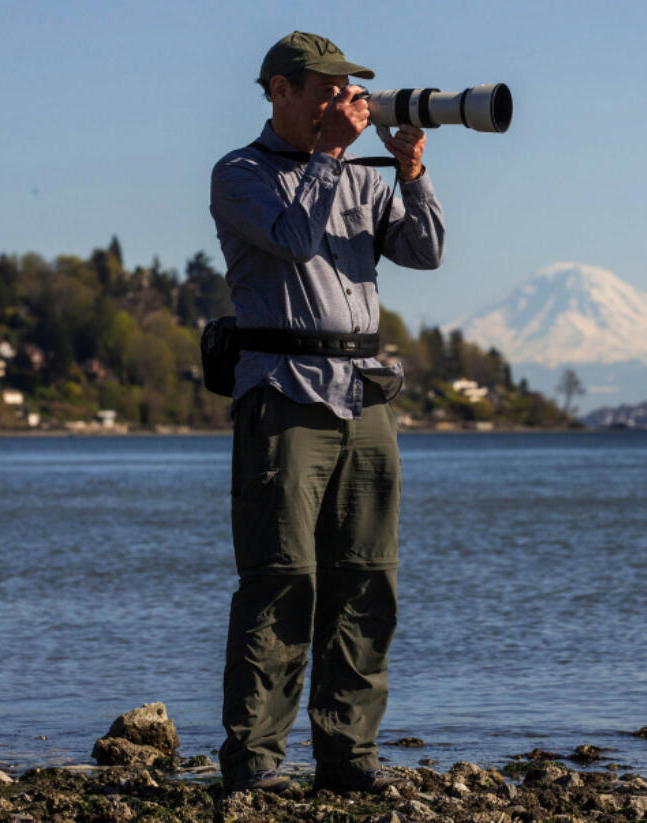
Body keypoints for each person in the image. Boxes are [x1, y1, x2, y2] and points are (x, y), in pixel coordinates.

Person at [209, 31, 444, 795]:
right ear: (279, 90)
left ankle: (348, 757)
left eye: (348, 91)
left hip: (365, 397)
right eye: (324, 90)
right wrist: (330, 158)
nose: (342, 103)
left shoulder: (358, 179)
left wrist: (412, 176)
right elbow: (294, 236)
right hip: (283, 398)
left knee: (367, 579)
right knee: (283, 578)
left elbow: (426, 251)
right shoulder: (239, 174)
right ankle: (255, 760)